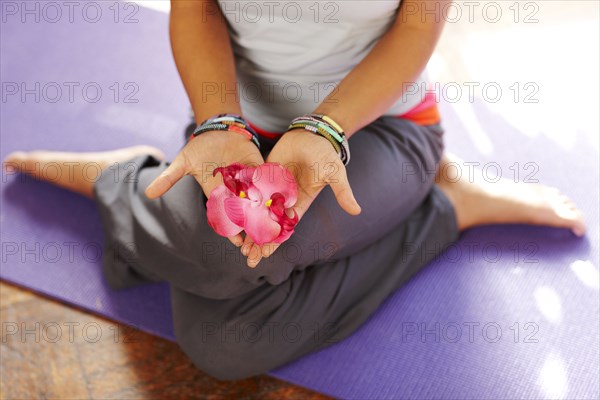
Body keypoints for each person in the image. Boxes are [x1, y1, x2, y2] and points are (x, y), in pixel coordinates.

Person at [3, 0, 585, 381]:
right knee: (224, 345)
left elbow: (419, 23)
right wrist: (217, 123)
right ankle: (135, 180)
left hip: (379, 129)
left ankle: (444, 206)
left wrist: (323, 129)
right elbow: (196, 8)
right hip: (232, 127)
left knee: (217, 272)